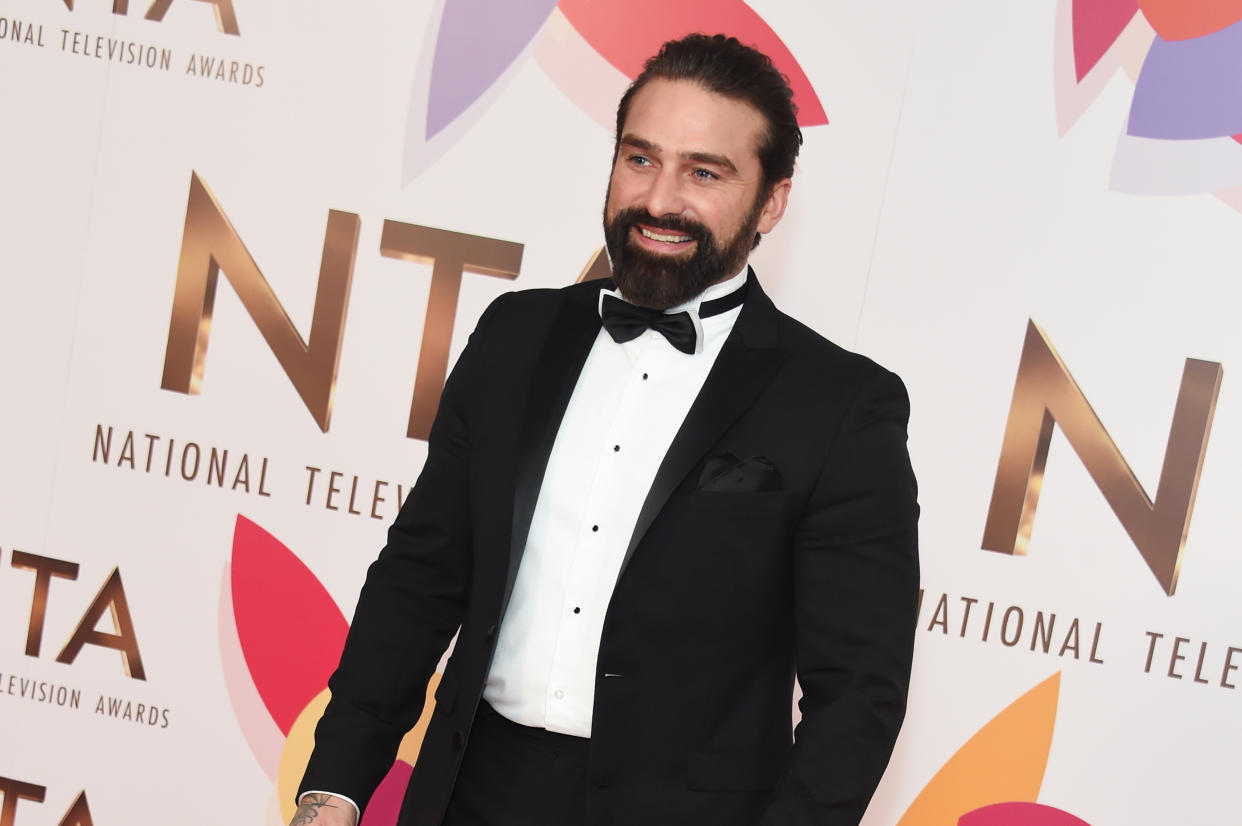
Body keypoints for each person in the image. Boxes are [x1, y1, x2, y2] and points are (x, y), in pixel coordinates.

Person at [293, 33, 919, 826]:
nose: (660, 200)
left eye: (704, 172)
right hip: (467, 794)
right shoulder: (514, 337)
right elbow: (418, 580)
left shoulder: (841, 407)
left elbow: (857, 697)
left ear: (772, 201)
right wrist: (334, 789)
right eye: (640, 159)